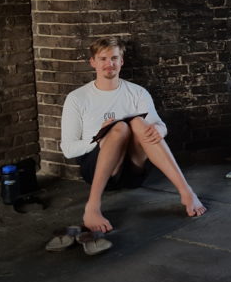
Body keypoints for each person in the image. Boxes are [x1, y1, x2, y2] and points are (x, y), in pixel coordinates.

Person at [60, 36, 206, 233]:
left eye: (114, 58)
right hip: (97, 173)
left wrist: (160, 130)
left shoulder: (137, 92)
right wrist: (98, 139)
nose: (109, 64)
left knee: (137, 122)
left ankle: (186, 192)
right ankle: (92, 206)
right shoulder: (77, 98)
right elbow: (68, 149)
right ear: (93, 62)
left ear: (121, 62)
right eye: (103, 59)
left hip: (133, 174)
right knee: (119, 128)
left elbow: (158, 125)